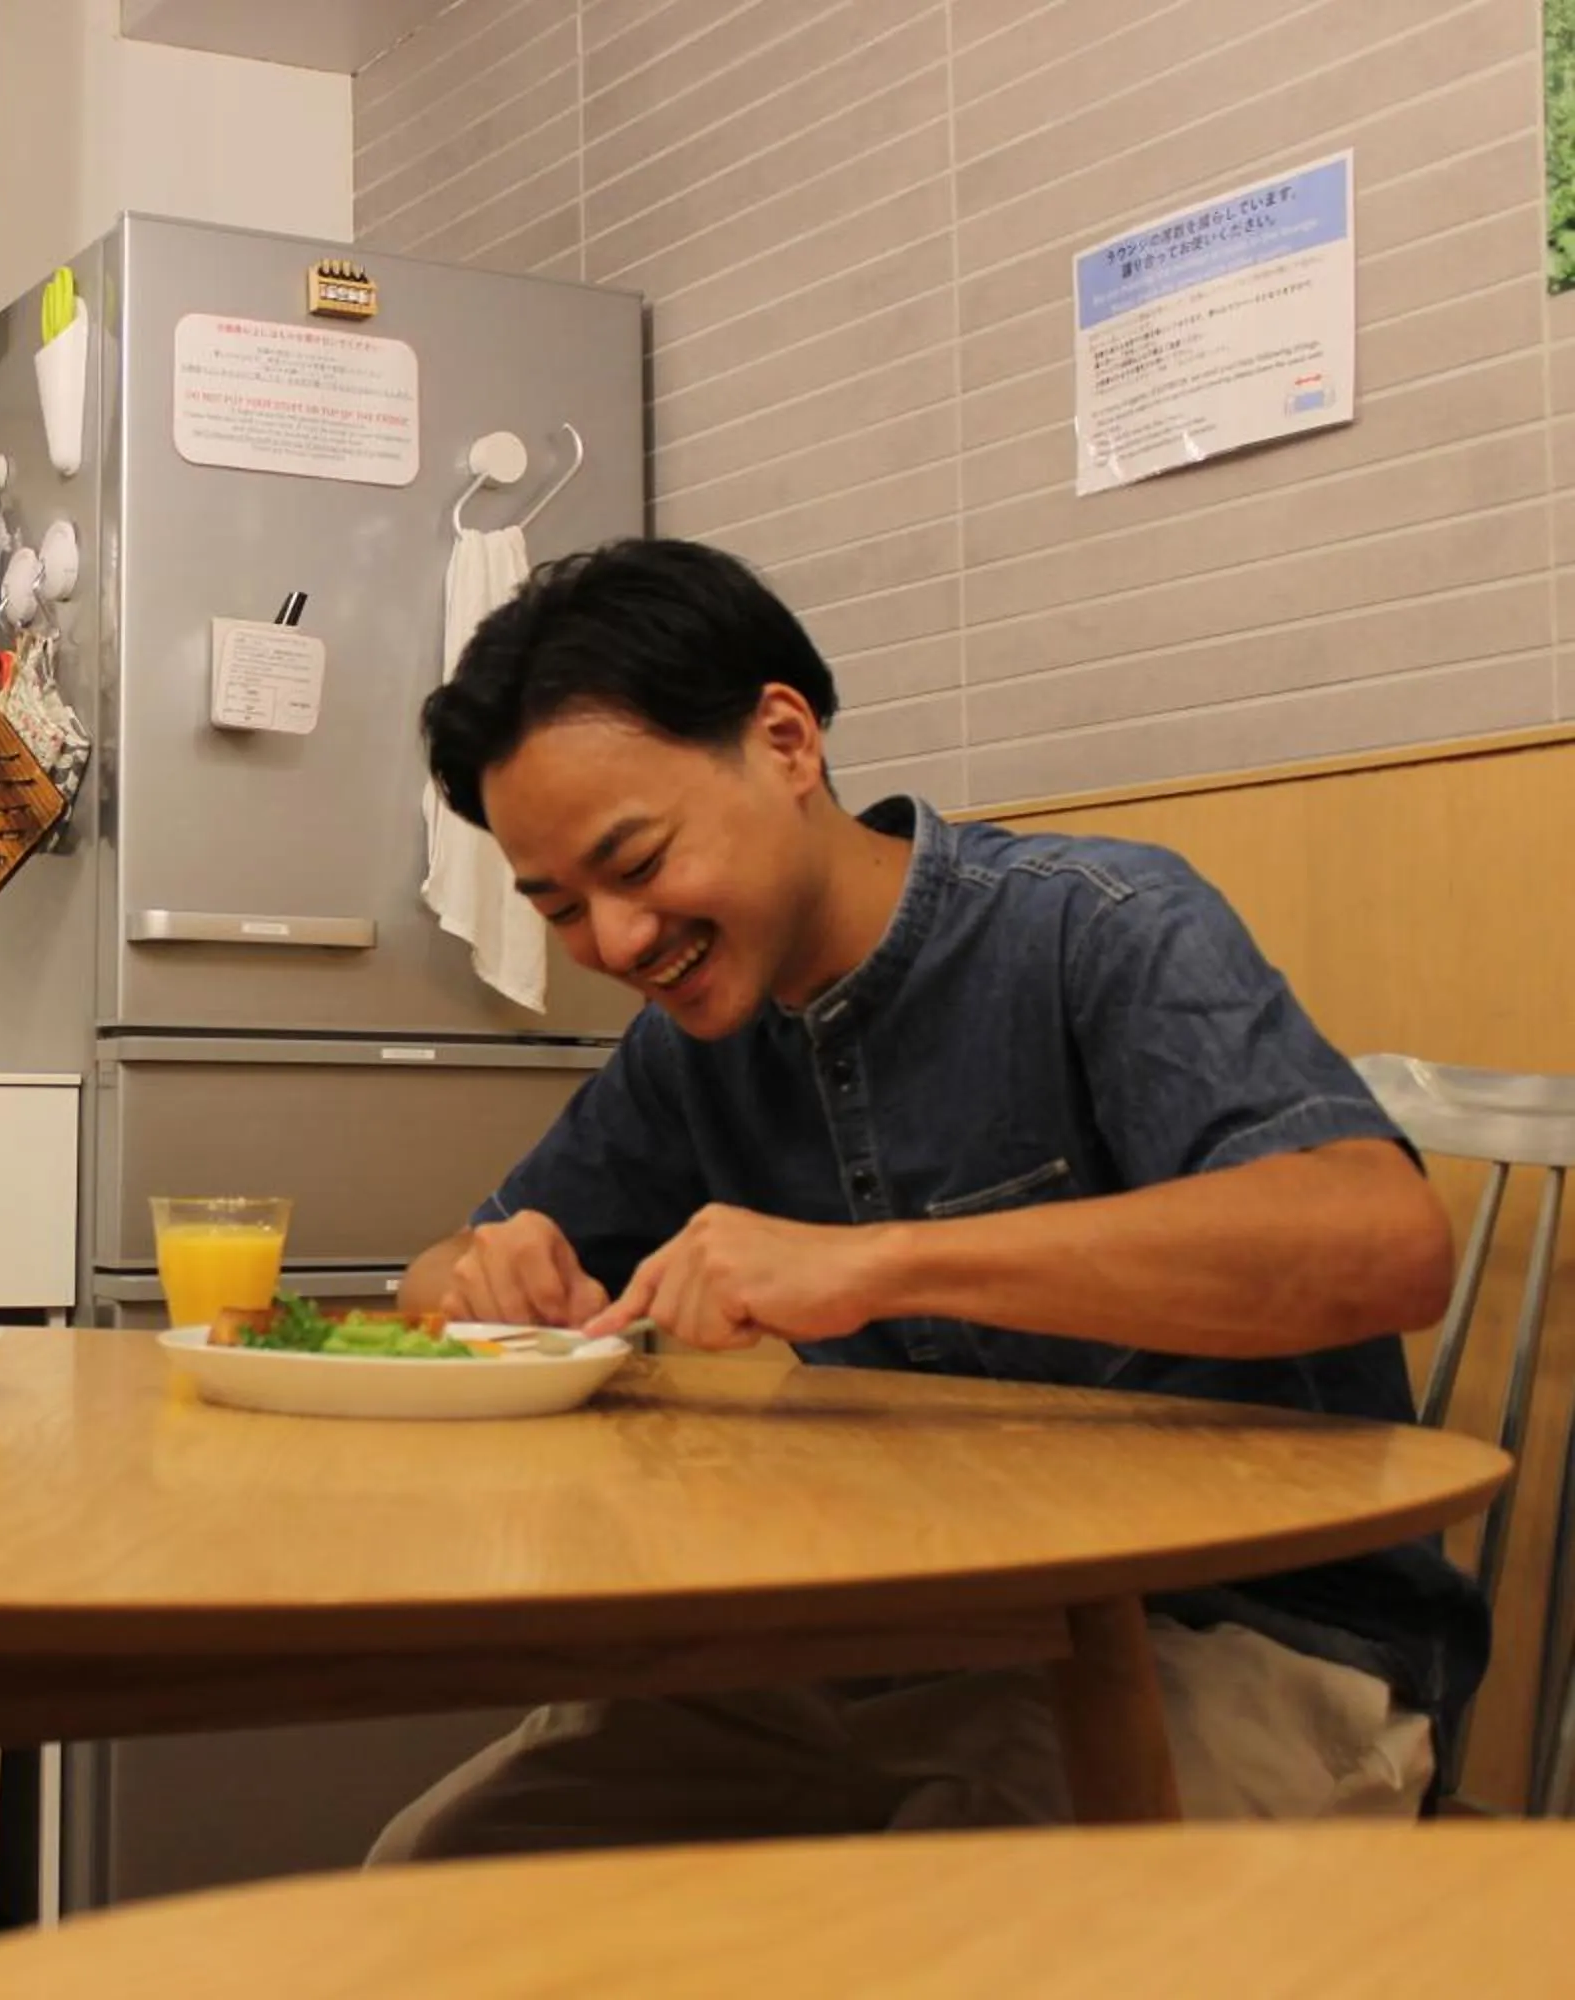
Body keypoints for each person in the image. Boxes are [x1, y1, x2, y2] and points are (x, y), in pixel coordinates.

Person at [377, 537, 1487, 1858]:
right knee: (443, 1877)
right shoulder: (695, 1046)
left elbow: (1381, 1243)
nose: (612, 944)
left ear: (786, 742)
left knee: (930, 1949)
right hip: (892, 1644)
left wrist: (871, 1265)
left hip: (1251, 1641)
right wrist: (477, 1279)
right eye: (558, 906)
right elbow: (443, 1272)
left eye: (636, 862)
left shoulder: (1095, 927)